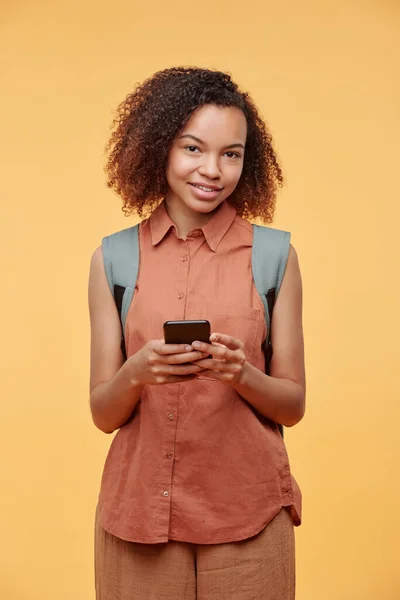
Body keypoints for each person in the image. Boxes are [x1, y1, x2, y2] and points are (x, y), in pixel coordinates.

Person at [88, 66, 305, 600]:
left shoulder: (275, 256)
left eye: (231, 153)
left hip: (248, 516)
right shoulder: (112, 258)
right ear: (159, 148)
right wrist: (136, 374)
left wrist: (241, 374)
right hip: (138, 516)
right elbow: (102, 413)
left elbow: (293, 405)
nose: (213, 169)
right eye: (193, 148)